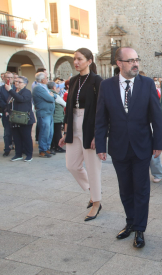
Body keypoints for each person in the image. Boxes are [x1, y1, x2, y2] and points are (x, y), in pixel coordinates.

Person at [95, 47, 162, 248]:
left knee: (141, 189)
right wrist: (100, 144)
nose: (136, 64)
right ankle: (130, 223)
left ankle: (140, 230)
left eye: (137, 59)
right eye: (131, 60)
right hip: (118, 147)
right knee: (125, 189)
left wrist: (158, 143)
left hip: (142, 146)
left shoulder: (147, 84)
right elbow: (101, 119)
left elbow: (156, 117)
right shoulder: (106, 86)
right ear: (119, 63)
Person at [59, 48, 104, 221]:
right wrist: (65, 131)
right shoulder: (74, 80)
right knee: (72, 165)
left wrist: (97, 134)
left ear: (89, 61)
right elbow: (68, 107)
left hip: (90, 125)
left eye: (79, 59)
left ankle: (96, 202)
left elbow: (102, 110)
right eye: (74, 59)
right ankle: (93, 191)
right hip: (73, 124)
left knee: (93, 168)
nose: (76, 62)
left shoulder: (97, 81)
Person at [8, 76, 35, 162]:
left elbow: (21, 99)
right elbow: (8, 103)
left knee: (26, 137)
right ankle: (18, 154)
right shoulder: (13, 92)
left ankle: (29, 155)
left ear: (25, 84)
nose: (16, 83)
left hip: (25, 119)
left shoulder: (27, 92)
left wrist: (10, 90)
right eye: (15, 81)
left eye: (19, 82)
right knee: (16, 137)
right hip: (15, 119)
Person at [32, 72, 56, 158]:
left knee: (50, 132)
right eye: (46, 78)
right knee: (44, 132)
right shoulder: (38, 88)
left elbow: (54, 96)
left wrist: (52, 96)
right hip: (44, 113)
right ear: (42, 80)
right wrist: (52, 96)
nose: (47, 80)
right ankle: (42, 150)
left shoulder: (44, 87)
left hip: (49, 112)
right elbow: (50, 98)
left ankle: (46, 148)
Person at [0, 71, 15, 156]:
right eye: (7, 77)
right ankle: (7, 149)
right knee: (7, 132)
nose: (9, 79)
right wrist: (7, 109)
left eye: (11, 77)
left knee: (18, 132)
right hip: (6, 113)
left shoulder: (16, 88)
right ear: (4, 78)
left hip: (17, 113)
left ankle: (20, 148)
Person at [48, 81, 66, 153]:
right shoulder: (56, 95)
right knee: (57, 133)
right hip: (57, 117)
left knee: (54, 132)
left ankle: (54, 146)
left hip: (53, 116)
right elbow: (65, 104)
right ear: (54, 87)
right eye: (58, 87)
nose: (59, 89)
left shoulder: (48, 93)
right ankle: (58, 146)